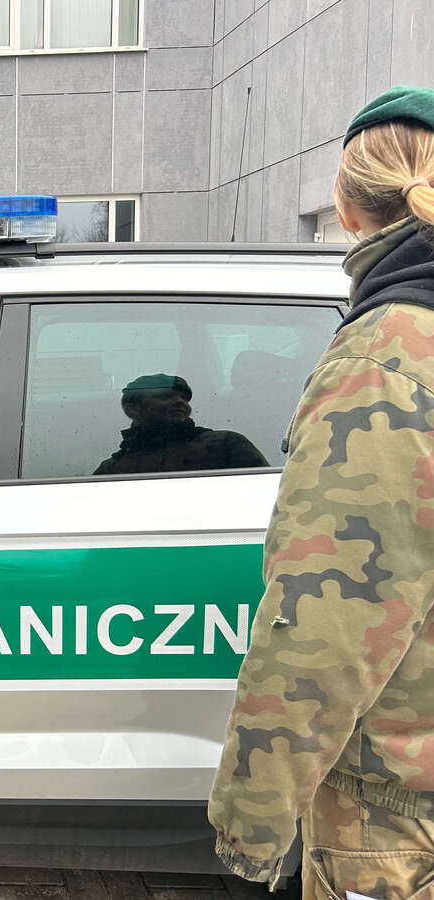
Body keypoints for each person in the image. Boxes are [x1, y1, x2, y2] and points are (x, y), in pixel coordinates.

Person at [209, 85, 434, 899]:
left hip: (399, 814)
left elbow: (325, 627)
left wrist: (252, 826)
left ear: (344, 205)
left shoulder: (386, 359)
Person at [92, 374, 267, 475]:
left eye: (184, 399)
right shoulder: (111, 469)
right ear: (132, 409)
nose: (180, 402)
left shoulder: (225, 443)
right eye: (164, 397)